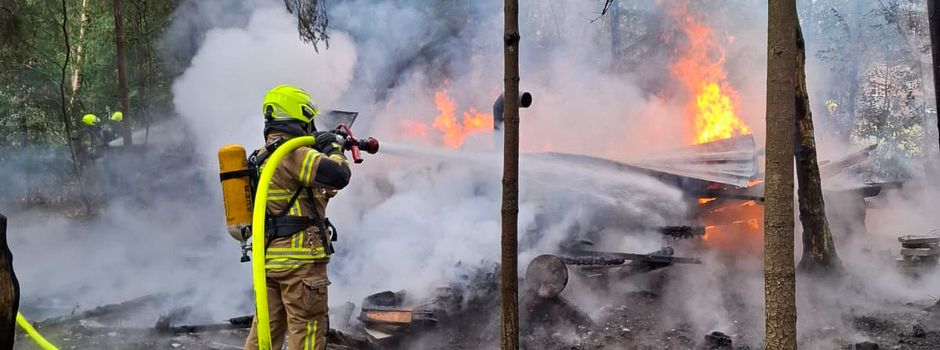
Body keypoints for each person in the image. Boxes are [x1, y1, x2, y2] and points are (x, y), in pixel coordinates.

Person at [244, 85, 351, 350]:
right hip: (300, 264)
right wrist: (335, 148)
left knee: (265, 331)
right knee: (308, 331)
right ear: (300, 116)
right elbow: (338, 175)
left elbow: (300, 197)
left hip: (270, 261)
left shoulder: (261, 156)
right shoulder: (294, 153)